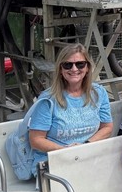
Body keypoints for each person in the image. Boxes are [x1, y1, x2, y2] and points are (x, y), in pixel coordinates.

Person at [17, 43, 113, 179]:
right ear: (60, 70)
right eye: (67, 65)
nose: (74, 69)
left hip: (88, 157)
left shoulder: (98, 93)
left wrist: (85, 146)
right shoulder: (48, 99)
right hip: (54, 161)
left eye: (80, 64)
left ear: (87, 68)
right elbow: (36, 140)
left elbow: (107, 127)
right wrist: (67, 152)